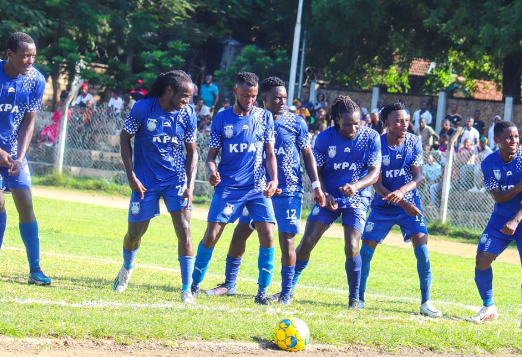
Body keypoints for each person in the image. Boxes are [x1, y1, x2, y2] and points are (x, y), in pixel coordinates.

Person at [202, 77, 326, 305]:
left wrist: (316, 185)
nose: (282, 101)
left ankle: (286, 293)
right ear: (264, 98)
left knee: (286, 241)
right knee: (240, 234)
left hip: (288, 190)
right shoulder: (256, 118)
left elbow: (307, 155)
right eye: (277, 97)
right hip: (258, 189)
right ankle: (229, 283)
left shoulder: (296, 122)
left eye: (284, 98)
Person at [190, 72, 278, 305]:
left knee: (268, 234)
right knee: (212, 235)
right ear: (236, 92)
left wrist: (274, 179)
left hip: (258, 187)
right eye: (247, 95)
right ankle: (194, 283)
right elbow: (211, 157)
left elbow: (270, 154)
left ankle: (261, 293)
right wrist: (211, 172)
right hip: (229, 187)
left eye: (255, 96)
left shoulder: (264, 117)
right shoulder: (221, 119)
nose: (251, 100)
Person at [112, 70, 199, 304]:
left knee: (184, 229)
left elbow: (193, 152)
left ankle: (186, 289)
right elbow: (124, 138)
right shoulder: (143, 108)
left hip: (176, 181)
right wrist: (131, 175)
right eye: (184, 96)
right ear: (169, 90)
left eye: (190, 97)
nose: (187, 101)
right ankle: (126, 269)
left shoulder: (188, 113)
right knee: (134, 234)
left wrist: (190, 186)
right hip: (145, 182)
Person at [291, 95, 381, 309]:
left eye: (357, 123)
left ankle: (354, 299)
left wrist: (356, 186)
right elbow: (316, 171)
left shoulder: (371, 137)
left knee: (352, 245)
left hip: (357, 197)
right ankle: (288, 289)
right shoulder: (324, 138)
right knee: (308, 241)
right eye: (348, 123)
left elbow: (375, 172)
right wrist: (323, 192)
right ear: (337, 120)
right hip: (329, 195)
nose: (353, 128)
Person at [359, 102, 442, 317]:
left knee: (423, 252)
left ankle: (426, 302)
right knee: (365, 252)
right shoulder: (377, 143)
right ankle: (358, 298)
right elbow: (376, 182)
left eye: (406, 120)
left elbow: (419, 176)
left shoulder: (414, 141)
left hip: (410, 204)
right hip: (382, 206)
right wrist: (400, 201)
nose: (404, 124)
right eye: (398, 120)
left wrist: (403, 194)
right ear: (387, 123)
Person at [0, 32, 50, 285]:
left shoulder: (35, 80)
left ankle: (35, 270)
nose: (30, 61)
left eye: (33, 56)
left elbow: (30, 121)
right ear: (9, 54)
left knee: (26, 204)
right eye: (25, 56)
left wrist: (19, 156)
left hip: (14, 154)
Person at [467, 121, 522, 326]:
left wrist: (515, 221)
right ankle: (489, 307)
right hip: (500, 219)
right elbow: (498, 198)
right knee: (482, 259)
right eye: (508, 137)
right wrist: (519, 187)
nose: (514, 141)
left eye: (516, 136)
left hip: (520, 218)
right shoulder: (488, 163)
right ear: (497, 140)